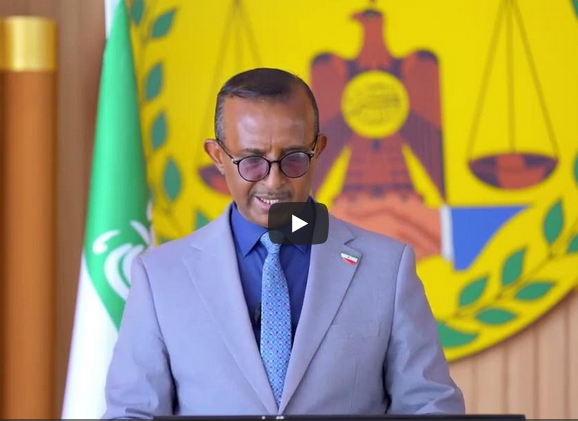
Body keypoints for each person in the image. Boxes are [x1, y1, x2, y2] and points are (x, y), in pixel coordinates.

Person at [103, 68, 465, 418]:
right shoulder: (159, 277)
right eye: (252, 161)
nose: (274, 182)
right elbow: (131, 414)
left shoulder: (387, 267)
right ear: (217, 156)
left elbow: (429, 407)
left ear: (318, 150)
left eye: (293, 159)